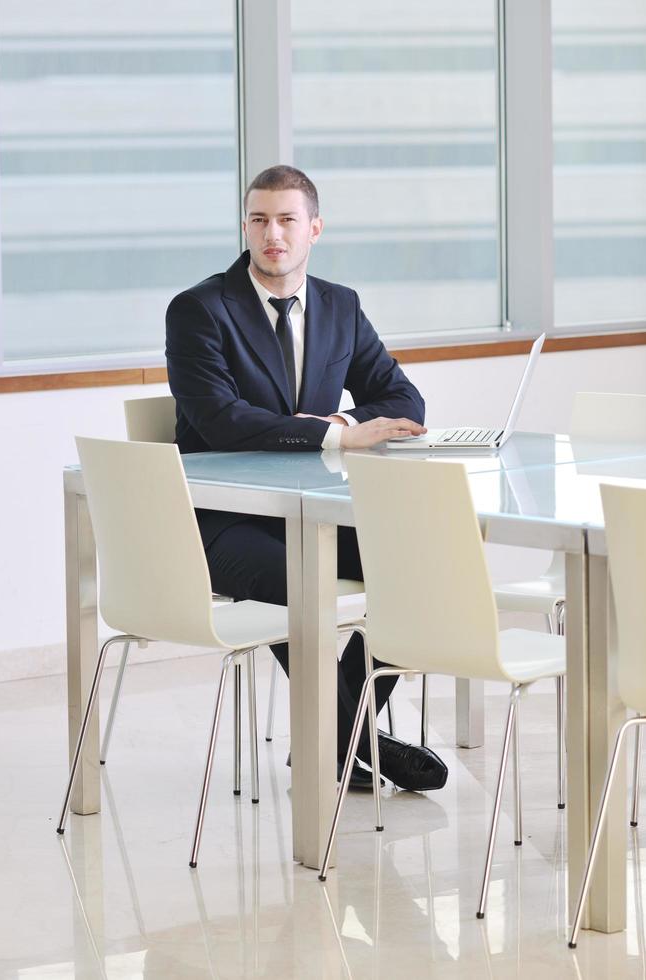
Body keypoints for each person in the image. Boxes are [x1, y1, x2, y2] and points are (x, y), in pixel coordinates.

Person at [166, 165, 447, 792]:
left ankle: (333, 735)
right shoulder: (199, 310)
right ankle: (360, 740)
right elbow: (221, 423)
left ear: (313, 229)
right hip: (221, 522)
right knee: (303, 584)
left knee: (424, 567)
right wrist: (337, 435)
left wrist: (346, 416)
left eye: (287, 219)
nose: (273, 234)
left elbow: (403, 400)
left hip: (315, 513)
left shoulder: (339, 306)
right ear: (246, 226)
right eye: (259, 219)